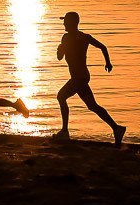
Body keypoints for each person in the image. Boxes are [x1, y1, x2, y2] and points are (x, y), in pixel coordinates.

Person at [54, 11, 126, 146]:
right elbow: (103, 47)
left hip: (78, 78)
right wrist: (108, 63)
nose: (63, 23)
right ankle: (117, 129)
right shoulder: (84, 37)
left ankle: (64, 132)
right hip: (83, 76)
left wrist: (60, 50)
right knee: (92, 106)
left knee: (61, 96)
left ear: (71, 23)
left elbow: (59, 57)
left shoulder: (66, 38)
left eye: (65, 21)